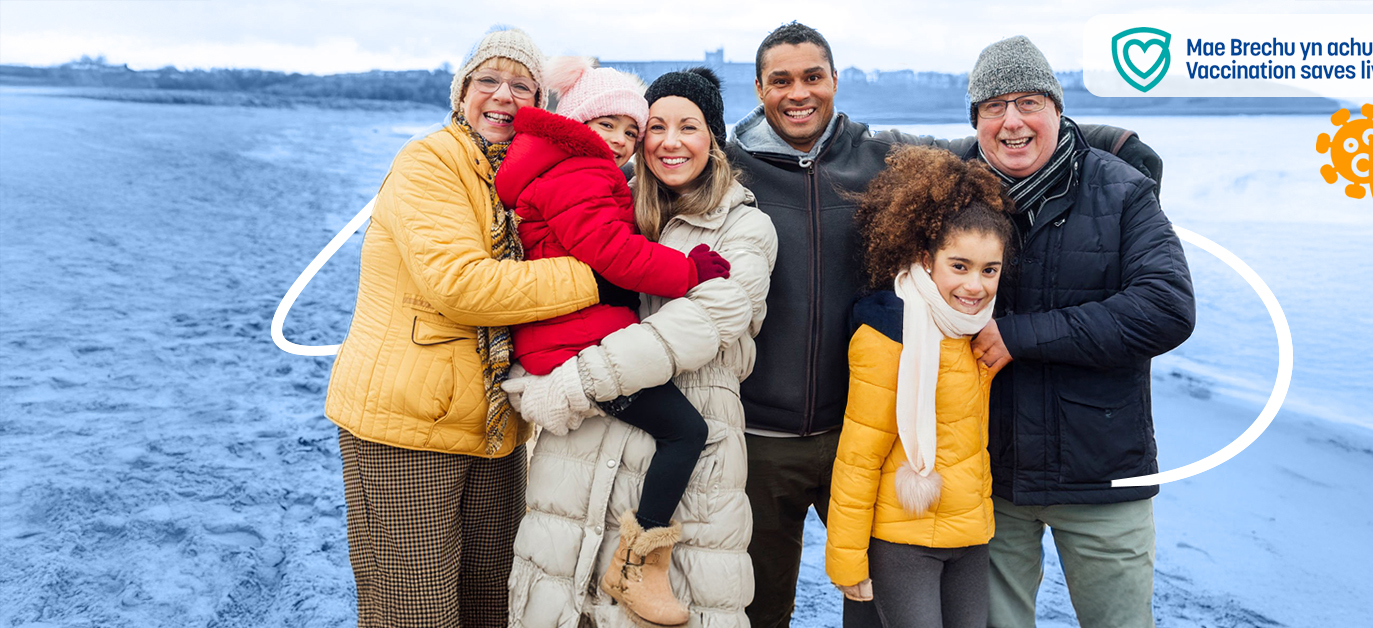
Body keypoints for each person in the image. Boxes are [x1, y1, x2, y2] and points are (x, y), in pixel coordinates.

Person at [725, 22, 1167, 628]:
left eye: (812, 77)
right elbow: (663, 170)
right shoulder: (731, 167)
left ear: (835, 81)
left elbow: (1165, 305)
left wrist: (1112, 142)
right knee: (770, 605)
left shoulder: (883, 158)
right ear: (759, 88)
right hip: (793, 440)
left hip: (1041, 458)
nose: (798, 92)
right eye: (781, 80)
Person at [323, 27, 615, 628]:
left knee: (493, 605)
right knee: (415, 610)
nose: (504, 96)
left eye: (522, 85)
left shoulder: (524, 179)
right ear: (462, 93)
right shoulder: (429, 162)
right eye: (489, 80)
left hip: (496, 426)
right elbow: (462, 287)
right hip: (407, 428)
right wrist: (598, 274)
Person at [505, 67, 776, 628]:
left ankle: (642, 567)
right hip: (581, 459)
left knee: (686, 602)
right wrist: (531, 375)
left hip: (676, 464)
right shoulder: (610, 200)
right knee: (560, 596)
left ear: (714, 139)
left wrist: (574, 382)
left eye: (690, 126)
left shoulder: (745, 227)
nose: (667, 141)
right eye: (655, 126)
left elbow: (704, 320)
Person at [962, 36, 1196, 628]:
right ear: (976, 120)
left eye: (1029, 102)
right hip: (989, 474)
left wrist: (1022, 336)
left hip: (1103, 473)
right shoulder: (950, 194)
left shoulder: (1122, 190)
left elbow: (1167, 306)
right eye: (994, 106)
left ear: (1057, 110)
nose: (1012, 121)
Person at [825, 146, 1017, 628]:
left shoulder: (979, 332)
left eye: (989, 270)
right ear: (925, 259)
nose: (975, 285)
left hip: (970, 536)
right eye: (960, 265)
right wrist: (846, 558)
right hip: (902, 539)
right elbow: (858, 456)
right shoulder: (887, 333)